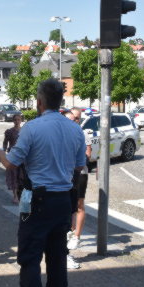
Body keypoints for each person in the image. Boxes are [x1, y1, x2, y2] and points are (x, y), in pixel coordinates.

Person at [0, 79, 86, 287]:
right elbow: (78, 166)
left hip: (38, 200)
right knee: (57, 257)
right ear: (61, 101)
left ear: (39, 102)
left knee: (29, 259)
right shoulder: (75, 129)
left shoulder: (32, 128)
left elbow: (12, 163)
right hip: (63, 200)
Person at [65, 108, 92, 254]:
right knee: (68, 205)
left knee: (79, 204)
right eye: (74, 118)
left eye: (78, 119)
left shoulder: (82, 133)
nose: (76, 121)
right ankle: (70, 230)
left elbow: (88, 152)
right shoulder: (61, 134)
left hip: (80, 172)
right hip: (65, 174)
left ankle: (77, 236)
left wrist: (80, 159)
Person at [3, 114, 24, 204]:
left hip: (23, 156)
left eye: (18, 119)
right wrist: (3, 153)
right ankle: (15, 196)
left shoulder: (24, 131)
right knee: (14, 175)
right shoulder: (9, 131)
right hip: (12, 156)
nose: (17, 121)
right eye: (15, 120)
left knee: (22, 176)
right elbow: (5, 143)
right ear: (13, 121)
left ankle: (21, 195)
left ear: (21, 120)